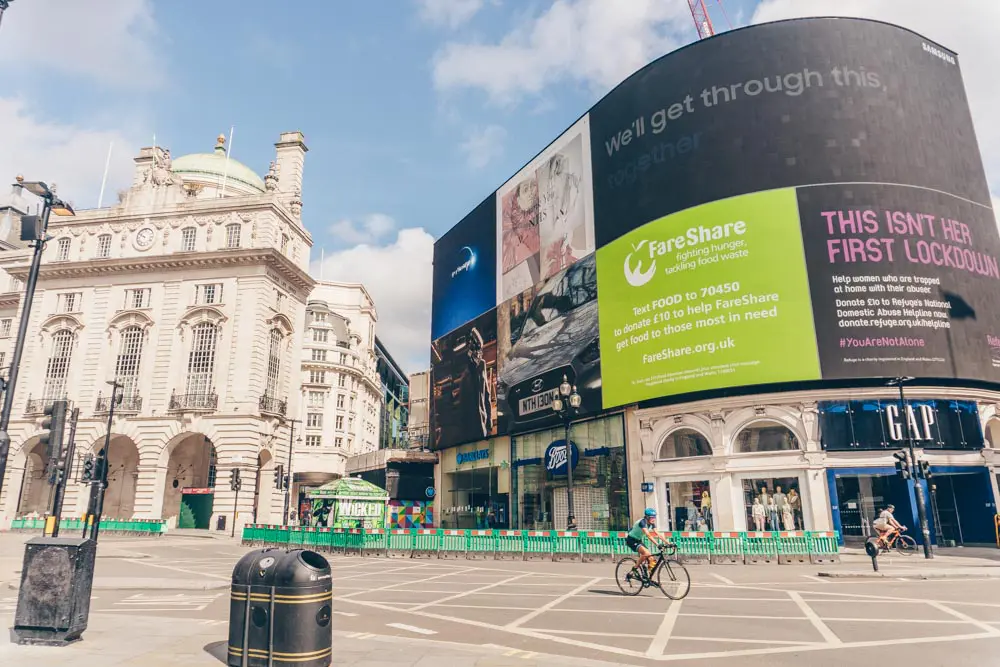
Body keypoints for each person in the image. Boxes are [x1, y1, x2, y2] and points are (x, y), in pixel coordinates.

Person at [626, 508, 669, 577]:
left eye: (654, 517)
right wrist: (657, 545)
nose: (653, 519)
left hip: (638, 540)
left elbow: (658, 534)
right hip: (631, 540)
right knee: (646, 553)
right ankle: (634, 569)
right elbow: (648, 535)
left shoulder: (651, 524)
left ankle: (647, 577)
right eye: (652, 517)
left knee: (651, 558)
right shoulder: (642, 522)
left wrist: (668, 543)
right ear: (647, 517)